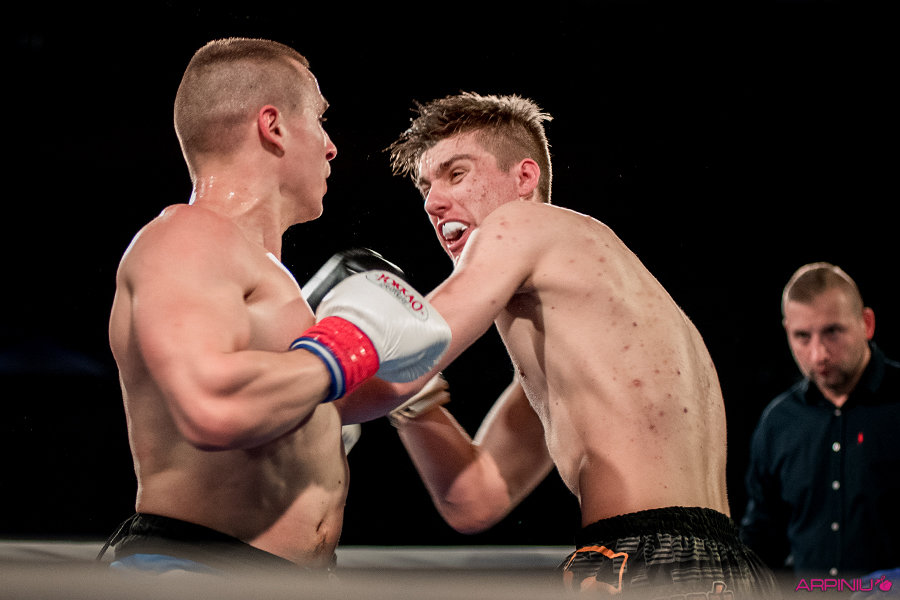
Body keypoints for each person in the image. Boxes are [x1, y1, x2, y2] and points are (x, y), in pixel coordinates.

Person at [350, 92, 777, 596]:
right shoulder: (592, 339)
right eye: (426, 187)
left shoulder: (519, 222)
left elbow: (408, 352)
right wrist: (414, 407)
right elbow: (476, 498)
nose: (432, 202)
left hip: (641, 556)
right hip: (726, 565)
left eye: (456, 174)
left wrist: (297, 387)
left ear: (524, 178)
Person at [100, 38, 450, 575]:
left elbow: (344, 389)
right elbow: (213, 406)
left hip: (283, 578)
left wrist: (489, 273)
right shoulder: (186, 237)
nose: (332, 147)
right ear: (274, 126)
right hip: (191, 571)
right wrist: (348, 346)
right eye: (321, 119)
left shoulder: (265, 277)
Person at [740, 262, 900, 578]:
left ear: (867, 324)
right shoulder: (778, 423)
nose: (818, 354)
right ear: (787, 331)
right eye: (802, 336)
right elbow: (761, 541)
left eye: (832, 332)